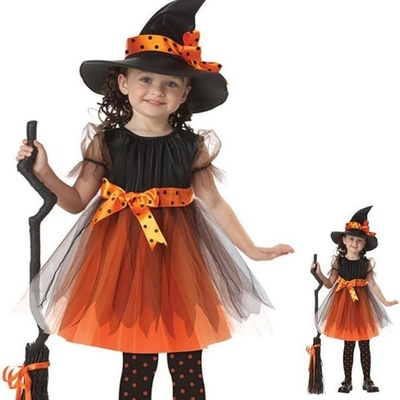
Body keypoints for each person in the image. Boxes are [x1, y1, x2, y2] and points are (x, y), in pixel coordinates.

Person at [15, 0, 294, 398]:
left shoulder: (192, 146)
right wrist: (44, 172)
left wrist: (251, 249)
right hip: (124, 260)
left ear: (185, 93)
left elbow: (214, 203)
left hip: (181, 260)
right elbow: (76, 201)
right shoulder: (106, 142)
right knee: (138, 358)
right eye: (145, 79)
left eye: (170, 83)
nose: (156, 91)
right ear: (123, 83)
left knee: (187, 356)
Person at [311, 206, 398, 394]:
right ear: (344, 240)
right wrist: (318, 272)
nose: (354, 243)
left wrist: (384, 301)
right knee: (348, 344)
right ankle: (347, 381)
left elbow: (372, 284)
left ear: (364, 244)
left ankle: (367, 380)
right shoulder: (338, 261)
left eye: (359, 240)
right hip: (343, 306)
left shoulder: (366, 263)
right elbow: (329, 284)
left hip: (363, 306)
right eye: (351, 239)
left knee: (365, 344)